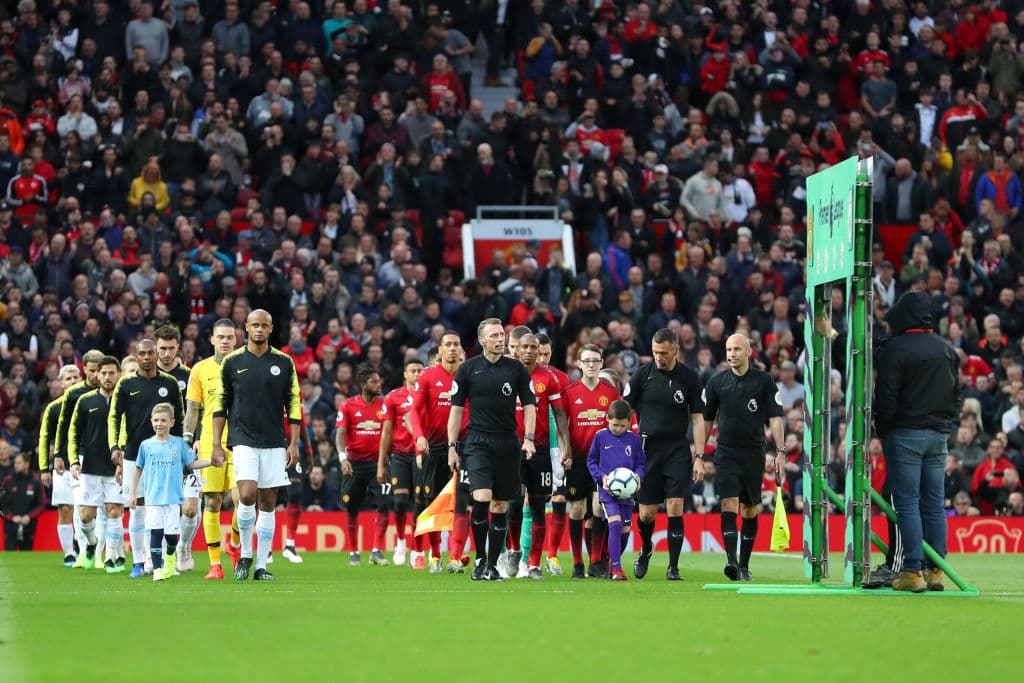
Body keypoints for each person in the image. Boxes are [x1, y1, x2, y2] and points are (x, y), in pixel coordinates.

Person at [875, 291, 960, 592]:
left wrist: (883, 430)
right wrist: (945, 425)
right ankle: (936, 569)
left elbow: (886, 398)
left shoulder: (896, 350)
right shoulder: (947, 349)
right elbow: (957, 395)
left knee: (908, 503)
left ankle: (913, 571)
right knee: (935, 504)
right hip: (938, 435)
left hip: (906, 433)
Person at [212, 309, 302, 581]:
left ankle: (261, 565)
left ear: (271, 328)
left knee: (269, 501)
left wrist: (294, 443)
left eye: (264, 325)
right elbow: (221, 404)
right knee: (248, 494)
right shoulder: (232, 362)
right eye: (255, 325)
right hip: (243, 439)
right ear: (246, 328)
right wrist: (216, 443)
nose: (260, 330)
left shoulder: (284, 362)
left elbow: (294, 403)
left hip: (274, 441)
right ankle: (245, 556)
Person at [448, 318, 537, 581]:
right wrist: (453, 447)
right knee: (482, 496)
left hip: (507, 442)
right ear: (482, 340)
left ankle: (492, 565)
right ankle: (480, 560)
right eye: (495, 335)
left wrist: (528, 438)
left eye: (502, 334)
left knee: (500, 505)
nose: (500, 339)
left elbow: (530, 406)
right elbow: (455, 411)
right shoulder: (467, 369)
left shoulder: (517, 370)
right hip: (477, 441)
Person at [701, 334, 786, 582]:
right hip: (725, 451)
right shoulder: (716, 383)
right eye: (728, 349)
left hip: (753, 452)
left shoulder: (764, 381)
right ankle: (731, 562)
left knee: (750, 509)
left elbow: (775, 418)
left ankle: (745, 565)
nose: (731, 354)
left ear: (749, 351)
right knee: (728, 502)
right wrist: (698, 454)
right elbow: (706, 420)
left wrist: (780, 451)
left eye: (737, 349)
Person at [624, 328, 706, 581]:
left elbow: (698, 419)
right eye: (655, 352)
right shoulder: (641, 375)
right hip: (647, 450)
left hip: (677, 450)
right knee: (647, 513)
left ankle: (673, 566)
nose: (658, 357)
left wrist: (700, 456)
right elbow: (623, 411)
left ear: (676, 351)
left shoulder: (690, 378)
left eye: (663, 353)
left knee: (675, 506)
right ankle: (646, 548)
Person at [108, 339, 185, 578]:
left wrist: (181, 452)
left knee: (164, 507)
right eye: (142, 353)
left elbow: (180, 419)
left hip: (166, 455)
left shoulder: (170, 383)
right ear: (137, 355)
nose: (147, 357)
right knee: (137, 507)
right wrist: (114, 447)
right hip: (134, 454)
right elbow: (114, 416)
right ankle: (139, 562)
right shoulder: (126, 384)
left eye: (151, 353)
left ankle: (159, 560)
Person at [129, 403, 215, 581]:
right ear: (151, 422)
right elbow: (137, 469)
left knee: (171, 537)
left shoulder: (179, 444)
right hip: (153, 498)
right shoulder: (146, 445)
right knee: (156, 532)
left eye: (163, 420)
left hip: (174, 498)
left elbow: (191, 464)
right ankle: (158, 569)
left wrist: (211, 462)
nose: (159, 424)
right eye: (156, 420)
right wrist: (132, 493)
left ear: (172, 422)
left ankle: (170, 557)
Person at [183, 319, 241, 580]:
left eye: (230, 337)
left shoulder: (245, 365)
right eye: (221, 337)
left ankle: (235, 543)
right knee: (213, 501)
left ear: (236, 339)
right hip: (210, 443)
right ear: (213, 339)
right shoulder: (200, 369)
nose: (226, 341)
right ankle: (215, 564)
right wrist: (187, 439)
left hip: (241, 441)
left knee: (244, 499)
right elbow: (193, 409)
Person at [562, 343, 626, 578]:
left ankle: (596, 561)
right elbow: (562, 427)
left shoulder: (610, 393)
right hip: (578, 459)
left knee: (600, 508)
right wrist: (565, 451)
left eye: (595, 361)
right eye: (586, 361)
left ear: (601, 364)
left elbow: (620, 424)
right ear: (578, 364)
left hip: (603, 460)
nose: (591, 365)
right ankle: (577, 562)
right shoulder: (570, 392)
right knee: (577, 509)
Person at [409, 330, 470, 572]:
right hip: (435, 447)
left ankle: (455, 556)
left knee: (462, 502)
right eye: (448, 345)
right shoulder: (427, 376)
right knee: (434, 503)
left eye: (457, 344)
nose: (453, 348)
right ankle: (435, 554)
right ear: (440, 350)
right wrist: (419, 436)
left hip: (466, 447)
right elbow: (413, 411)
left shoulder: (470, 374)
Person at [511, 332, 570, 579]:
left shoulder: (549, 379)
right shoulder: (507, 374)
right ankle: (514, 551)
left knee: (537, 506)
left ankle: (534, 563)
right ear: (516, 349)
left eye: (533, 348)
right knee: (513, 504)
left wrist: (565, 447)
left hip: (541, 450)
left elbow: (559, 415)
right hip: (510, 448)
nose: (529, 351)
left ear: (540, 351)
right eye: (524, 347)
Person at [68, 356, 124, 572]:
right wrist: (74, 460)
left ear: (118, 374)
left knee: (114, 511)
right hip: (90, 466)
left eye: (112, 373)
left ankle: (111, 557)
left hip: (116, 466)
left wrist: (123, 458)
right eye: (104, 373)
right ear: (96, 375)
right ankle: (91, 544)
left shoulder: (125, 399)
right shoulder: (86, 401)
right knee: (85, 516)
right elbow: (74, 432)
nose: (108, 377)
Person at [54, 349, 105, 568]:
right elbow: (64, 426)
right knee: (80, 505)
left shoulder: (113, 392)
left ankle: (101, 554)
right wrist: (59, 454)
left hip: (106, 455)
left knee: (104, 506)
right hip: (81, 455)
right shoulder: (74, 394)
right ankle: (83, 551)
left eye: (99, 371)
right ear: (85, 369)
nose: (96, 375)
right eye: (92, 371)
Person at [154, 324, 199, 572]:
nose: (167, 353)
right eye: (162, 348)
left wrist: (197, 437)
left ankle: (185, 546)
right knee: (160, 505)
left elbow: (199, 410)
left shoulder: (190, 376)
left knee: (190, 509)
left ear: (178, 347)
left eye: (171, 348)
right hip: (157, 452)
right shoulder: (149, 377)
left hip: (187, 448)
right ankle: (158, 553)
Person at [588, 400, 646, 580]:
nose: (618, 429)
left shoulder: (634, 440)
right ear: (607, 419)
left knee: (625, 531)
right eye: (615, 425)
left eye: (622, 425)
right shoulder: (600, 437)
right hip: (607, 491)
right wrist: (602, 477)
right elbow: (591, 461)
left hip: (628, 492)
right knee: (614, 524)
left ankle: (610, 562)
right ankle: (617, 569)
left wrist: (638, 476)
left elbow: (641, 464)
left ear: (629, 422)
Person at [336, 367, 388, 566]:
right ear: (364, 385)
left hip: (378, 464)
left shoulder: (384, 405)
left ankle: (376, 550)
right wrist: (343, 459)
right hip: (354, 464)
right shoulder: (348, 406)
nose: (379, 384)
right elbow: (340, 435)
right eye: (374, 382)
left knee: (384, 503)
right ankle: (353, 552)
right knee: (351, 506)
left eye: (379, 381)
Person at [377, 358, 424, 568]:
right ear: (405, 374)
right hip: (400, 454)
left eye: (420, 371)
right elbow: (386, 432)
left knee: (420, 502)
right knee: (400, 501)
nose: (416, 374)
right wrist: (381, 463)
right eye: (413, 371)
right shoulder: (393, 398)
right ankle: (401, 542)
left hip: (421, 453)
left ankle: (417, 548)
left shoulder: (427, 394)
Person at [37, 364, 83, 565]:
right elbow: (44, 438)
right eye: (68, 378)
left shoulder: (89, 402)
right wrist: (44, 468)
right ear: (61, 383)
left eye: (75, 377)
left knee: (84, 510)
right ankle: (68, 553)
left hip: (85, 464)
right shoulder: (53, 408)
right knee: (65, 508)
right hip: (61, 465)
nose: (73, 381)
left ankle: (84, 548)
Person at [2, 453, 46, 550]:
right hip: (10, 526)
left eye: (19, 463)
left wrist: (29, 516)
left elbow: (42, 503)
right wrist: (11, 517)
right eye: (15, 463)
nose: (16, 465)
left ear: (27, 464)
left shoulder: (36, 482)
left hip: (28, 526)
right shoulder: (7, 482)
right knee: (9, 557)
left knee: (26, 557)